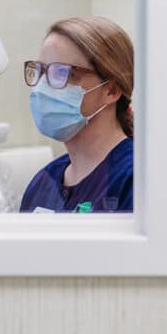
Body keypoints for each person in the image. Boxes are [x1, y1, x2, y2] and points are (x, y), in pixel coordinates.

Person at [19, 16, 134, 213]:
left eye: (62, 73)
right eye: (41, 71)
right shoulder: (43, 182)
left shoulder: (135, 178)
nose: (42, 87)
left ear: (111, 90)